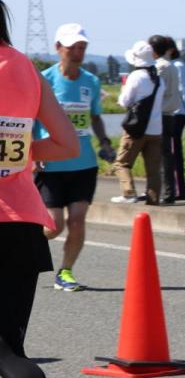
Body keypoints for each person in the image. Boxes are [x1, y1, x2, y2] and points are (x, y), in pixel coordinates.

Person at [0, 0, 86, 378]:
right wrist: (21, 153)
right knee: (8, 350)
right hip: (21, 226)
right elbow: (67, 145)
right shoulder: (26, 69)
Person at [35, 23, 115, 292]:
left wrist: (105, 142)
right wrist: (34, 153)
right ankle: (19, 249)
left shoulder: (90, 81)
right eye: (73, 47)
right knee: (54, 226)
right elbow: (31, 118)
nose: (78, 53)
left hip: (83, 163)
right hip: (50, 164)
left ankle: (65, 272)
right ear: (58, 48)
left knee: (77, 221)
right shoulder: (44, 79)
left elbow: (95, 117)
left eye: (82, 47)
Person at [110, 39, 164, 205]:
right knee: (153, 170)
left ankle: (129, 193)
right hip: (156, 130)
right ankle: (153, 200)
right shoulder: (159, 79)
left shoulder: (136, 76)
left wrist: (122, 91)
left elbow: (124, 101)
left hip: (136, 129)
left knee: (122, 163)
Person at [149, 35, 181, 203]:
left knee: (160, 156)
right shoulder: (172, 66)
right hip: (170, 114)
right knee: (166, 155)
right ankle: (168, 192)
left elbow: (154, 91)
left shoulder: (159, 67)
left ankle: (165, 193)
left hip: (159, 114)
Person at [167, 39, 185, 201]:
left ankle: (179, 190)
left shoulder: (177, 66)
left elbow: (184, 90)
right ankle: (175, 188)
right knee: (170, 152)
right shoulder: (168, 65)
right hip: (171, 113)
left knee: (174, 152)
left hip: (176, 113)